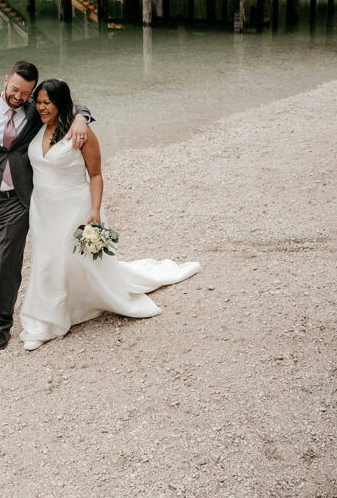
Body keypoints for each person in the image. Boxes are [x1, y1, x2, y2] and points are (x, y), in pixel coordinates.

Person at [18, 79, 201, 351]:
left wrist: (95, 210)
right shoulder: (36, 122)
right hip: (43, 208)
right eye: (39, 102)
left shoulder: (81, 133)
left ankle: (50, 319)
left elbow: (95, 175)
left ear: (60, 103)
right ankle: (49, 313)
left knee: (68, 258)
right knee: (46, 259)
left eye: (48, 103)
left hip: (74, 205)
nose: (41, 107)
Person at [0, 61, 92, 354]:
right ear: (6, 79)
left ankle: (1, 325)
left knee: (7, 260)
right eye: (15, 90)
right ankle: (12, 284)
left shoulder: (37, 111)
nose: (19, 97)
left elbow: (70, 103)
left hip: (19, 200)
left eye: (26, 93)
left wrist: (82, 117)